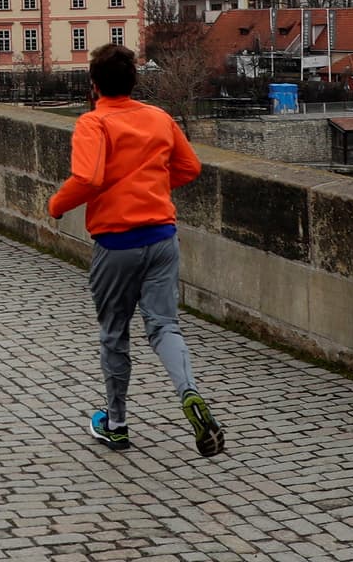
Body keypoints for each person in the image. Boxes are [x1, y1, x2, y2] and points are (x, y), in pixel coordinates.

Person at [48, 43, 224, 456]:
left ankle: (117, 423)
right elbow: (190, 168)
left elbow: (88, 179)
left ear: (94, 86)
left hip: (117, 242)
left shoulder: (95, 124)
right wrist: (152, 189)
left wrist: (56, 204)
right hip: (161, 237)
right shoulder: (159, 118)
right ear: (133, 82)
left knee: (114, 334)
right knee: (165, 326)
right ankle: (189, 393)